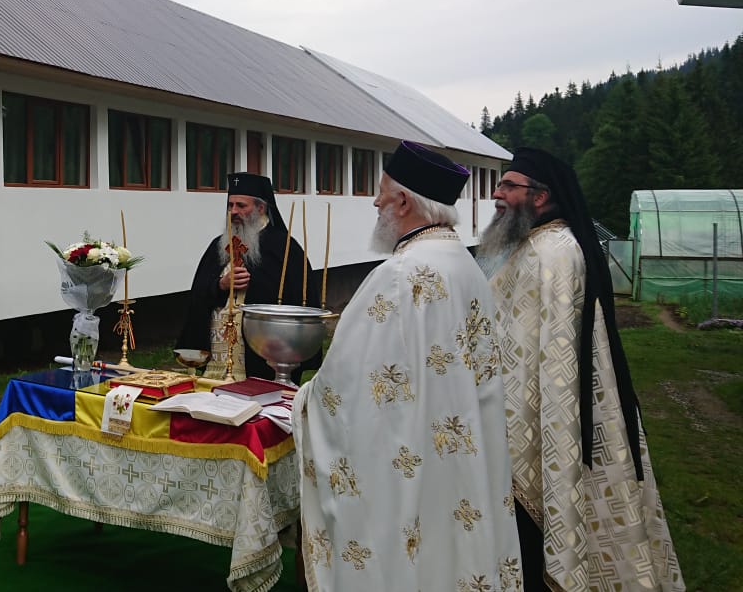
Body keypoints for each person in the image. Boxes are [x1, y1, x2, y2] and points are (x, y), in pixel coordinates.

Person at [293, 141, 521, 590]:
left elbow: (348, 388)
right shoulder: (464, 264)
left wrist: (303, 400)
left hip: (412, 453)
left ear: (402, 201)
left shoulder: (400, 275)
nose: (375, 203)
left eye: (381, 193)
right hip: (459, 453)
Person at [481, 147, 684, 592]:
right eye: (500, 184)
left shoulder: (556, 253)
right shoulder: (528, 245)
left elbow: (557, 355)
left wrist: (537, 423)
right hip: (513, 408)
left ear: (540, 196)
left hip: (542, 414)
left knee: (530, 543)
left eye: (508, 186)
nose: (497, 194)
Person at [177, 172, 319, 381]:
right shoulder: (219, 245)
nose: (233, 211)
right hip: (218, 357)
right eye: (230, 205)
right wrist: (221, 285)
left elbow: (297, 300)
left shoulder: (285, 248)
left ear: (261, 208)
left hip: (262, 360)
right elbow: (198, 293)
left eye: (241, 206)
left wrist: (253, 286)